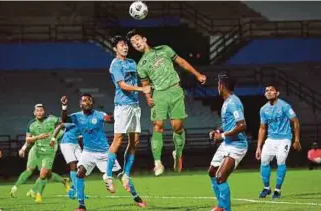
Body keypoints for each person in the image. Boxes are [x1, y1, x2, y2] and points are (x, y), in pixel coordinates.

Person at [126, 29, 207, 176]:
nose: (135, 43)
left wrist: (197, 74)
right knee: (158, 125)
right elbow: (145, 84)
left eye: (137, 39)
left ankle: (178, 153)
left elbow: (181, 61)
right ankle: (157, 163)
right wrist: (148, 97)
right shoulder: (141, 65)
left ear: (144, 39)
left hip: (175, 91)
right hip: (159, 95)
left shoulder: (164, 49)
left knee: (177, 127)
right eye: (132, 43)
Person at [60, 93, 146, 211]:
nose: (87, 102)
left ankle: (137, 198)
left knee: (121, 176)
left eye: (89, 100)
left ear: (92, 103)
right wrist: (64, 107)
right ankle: (81, 206)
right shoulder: (76, 116)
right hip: (88, 152)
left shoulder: (100, 115)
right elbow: (64, 120)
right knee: (80, 173)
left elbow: (109, 119)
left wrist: (122, 115)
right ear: (80, 104)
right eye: (84, 100)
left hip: (104, 153)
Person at [105, 35, 151, 194]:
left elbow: (143, 76)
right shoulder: (115, 65)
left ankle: (126, 174)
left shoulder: (132, 62)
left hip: (134, 106)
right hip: (123, 106)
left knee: (135, 141)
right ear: (115, 48)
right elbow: (123, 85)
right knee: (118, 139)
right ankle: (108, 175)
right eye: (122, 45)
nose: (125, 47)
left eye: (126, 45)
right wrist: (141, 89)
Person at [10, 104, 69, 203]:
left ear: (44, 112)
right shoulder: (31, 124)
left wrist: (63, 107)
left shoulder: (51, 119)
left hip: (49, 151)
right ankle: (16, 187)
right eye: (37, 111)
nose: (39, 112)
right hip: (36, 150)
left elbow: (63, 120)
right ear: (34, 113)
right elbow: (28, 139)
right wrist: (24, 148)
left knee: (44, 174)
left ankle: (38, 193)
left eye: (41, 110)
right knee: (30, 170)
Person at [208, 72, 248, 211]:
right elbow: (228, 124)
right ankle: (220, 206)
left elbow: (242, 125)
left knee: (220, 177)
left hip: (237, 145)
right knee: (212, 172)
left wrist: (223, 136)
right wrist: (218, 131)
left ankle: (227, 209)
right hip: (228, 143)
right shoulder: (226, 102)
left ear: (221, 85)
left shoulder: (233, 102)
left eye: (218, 83)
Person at [256, 85, 302, 199]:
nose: (268, 92)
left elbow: (295, 121)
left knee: (281, 160)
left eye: (271, 90)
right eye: (266, 90)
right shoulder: (263, 109)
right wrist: (258, 147)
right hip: (271, 139)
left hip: (284, 139)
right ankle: (267, 188)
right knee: (264, 161)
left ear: (277, 93)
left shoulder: (285, 106)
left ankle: (277, 190)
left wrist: (297, 140)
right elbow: (262, 128)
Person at [51, 122, 82, 199]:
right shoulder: (74, 121)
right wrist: (53, 139)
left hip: (76, 144)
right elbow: (60, 126)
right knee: (73, 164)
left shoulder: (87, 124)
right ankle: (78, 192)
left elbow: (80, 135)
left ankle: (73, 188)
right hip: (66, 144)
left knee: (83, 166)